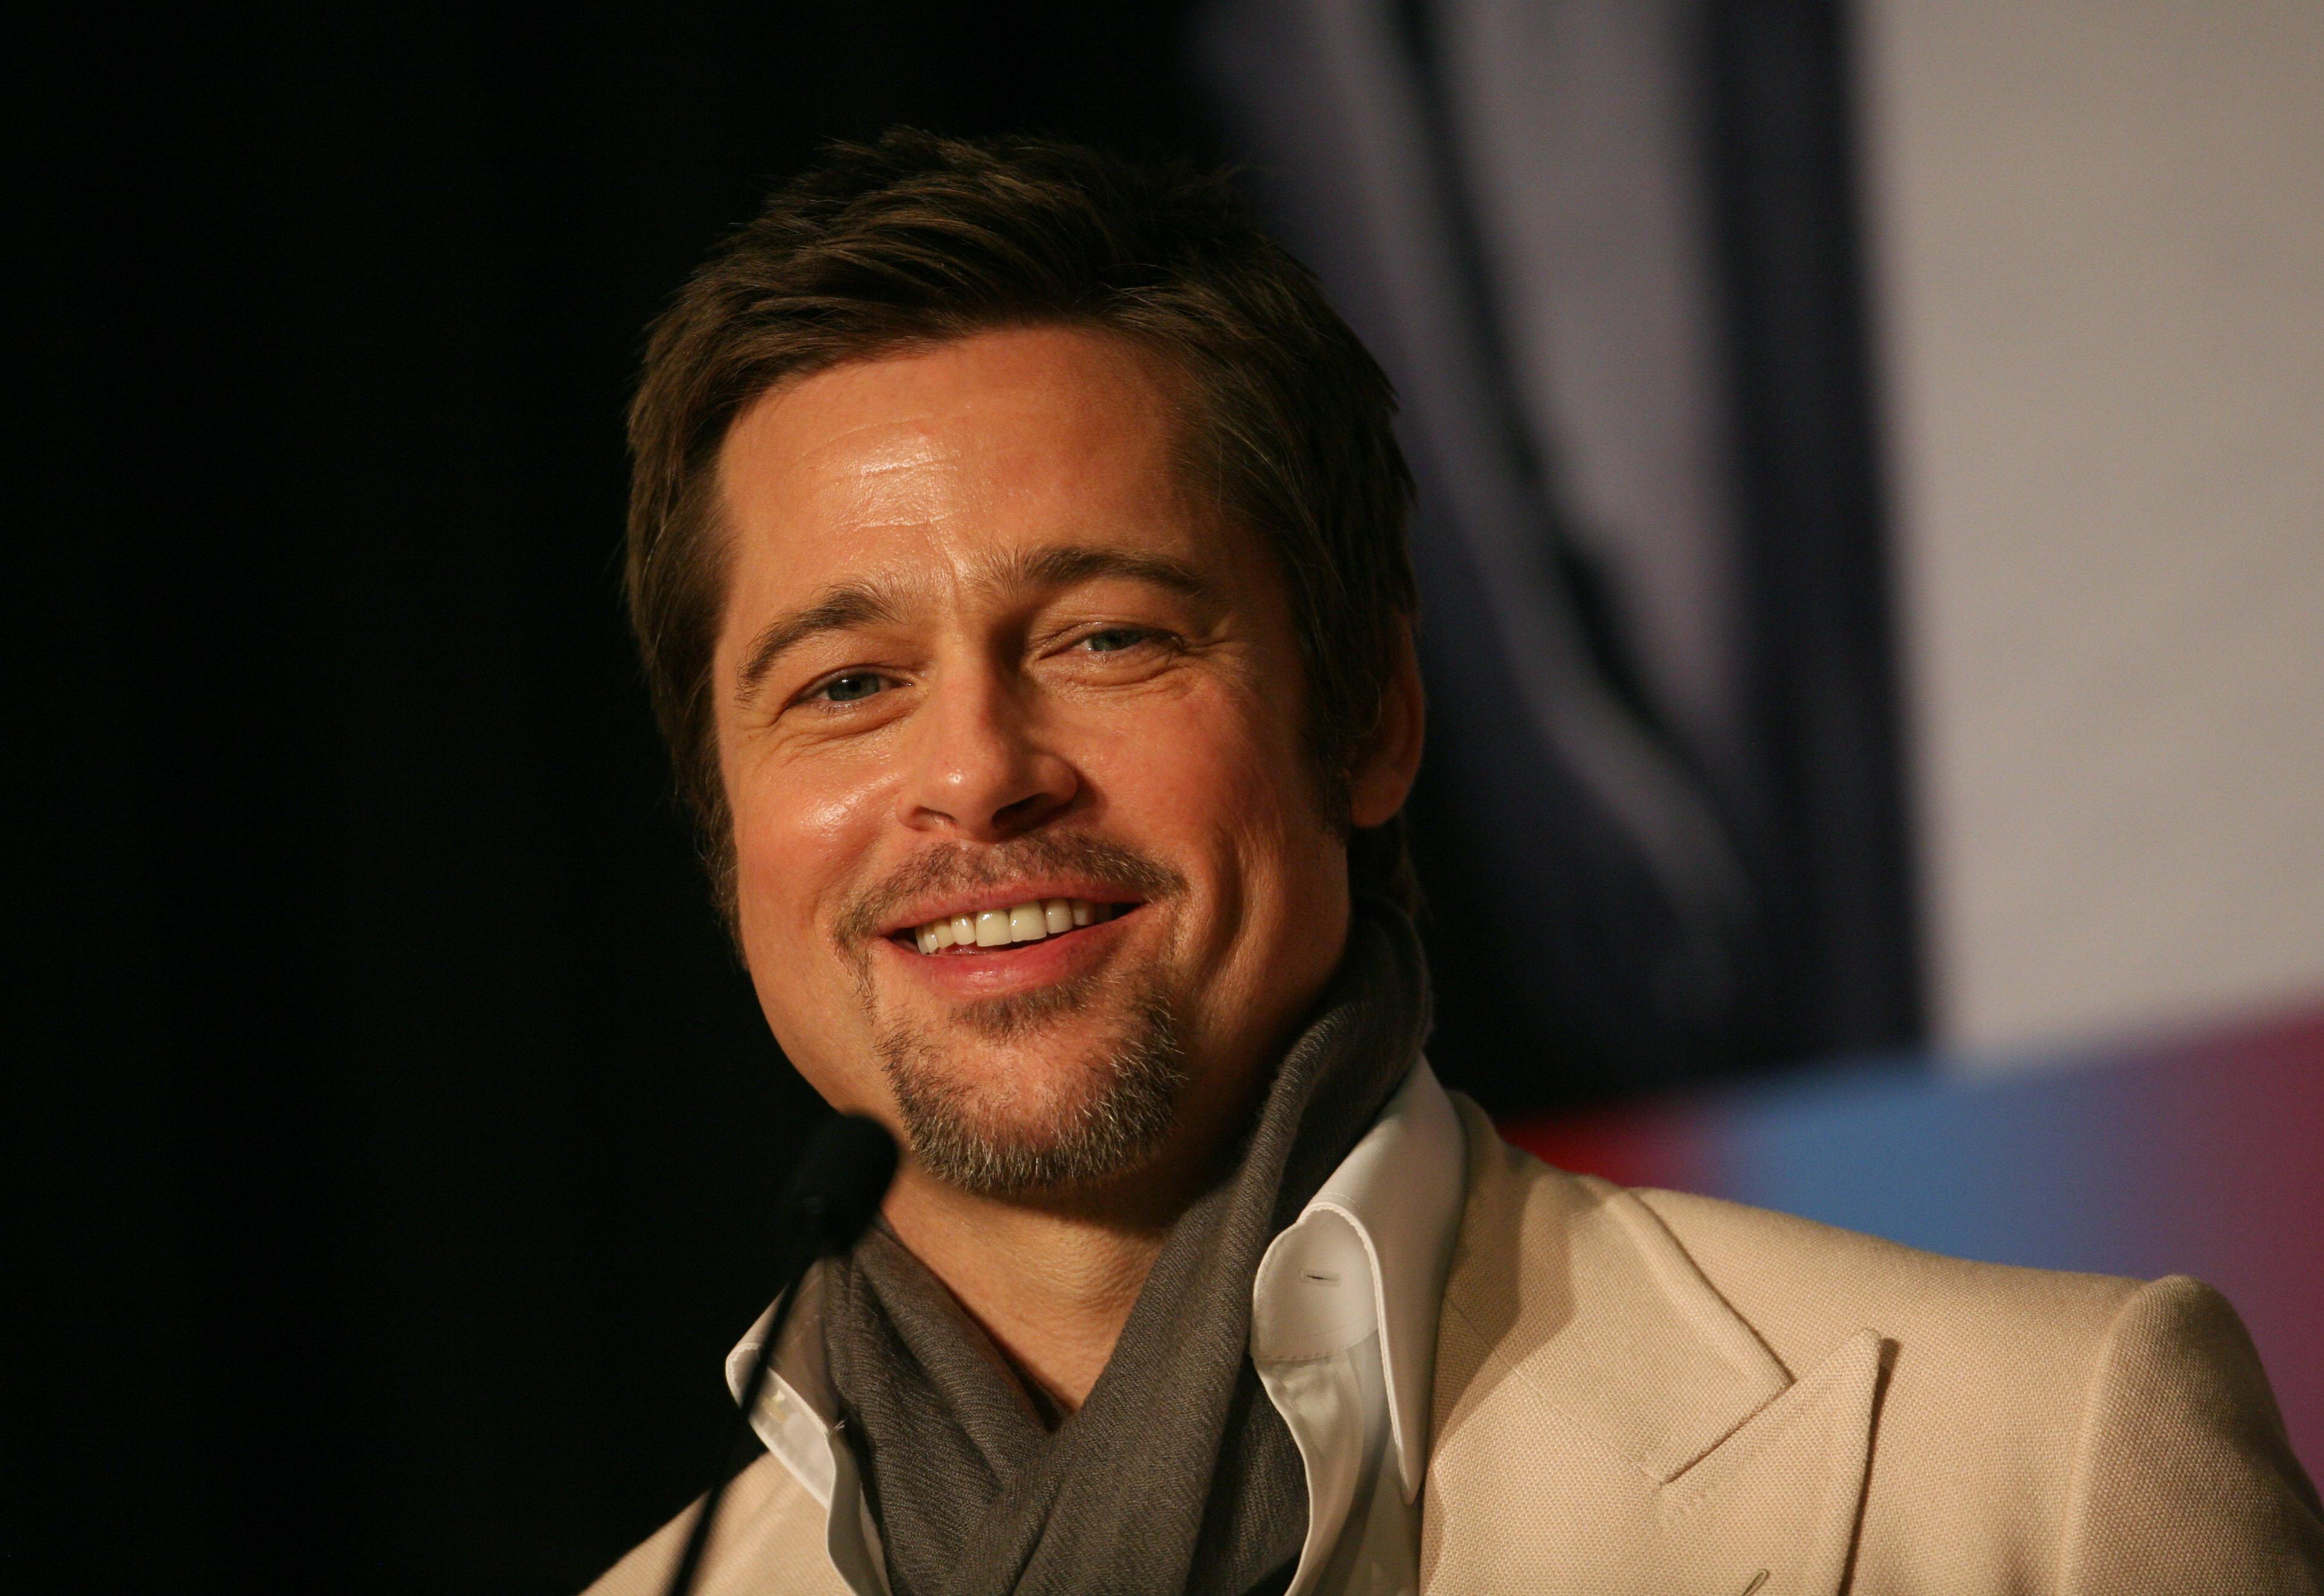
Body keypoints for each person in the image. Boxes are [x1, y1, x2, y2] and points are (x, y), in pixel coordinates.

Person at [584, 131, 2322, 1596]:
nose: (976, 773)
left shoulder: (2040, 1461)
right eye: (846, 685)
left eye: (1110, 638)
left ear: (1373, 719)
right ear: (723, 824)